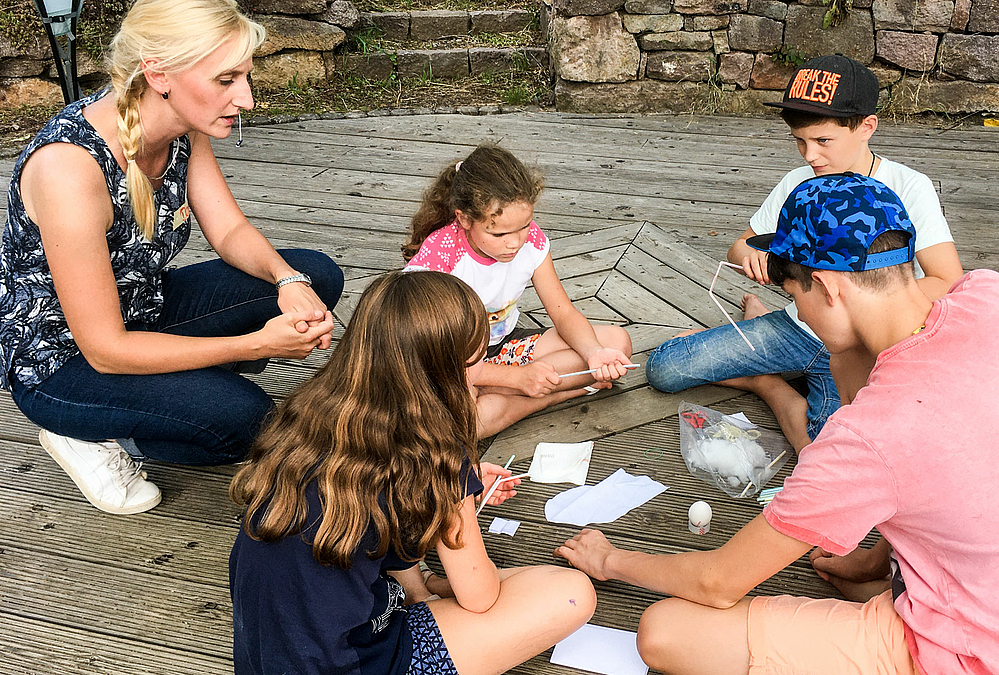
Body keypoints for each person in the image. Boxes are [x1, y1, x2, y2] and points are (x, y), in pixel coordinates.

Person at [556, 174, 999, 675]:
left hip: (987, 660)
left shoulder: (872, 436)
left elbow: (717, 582)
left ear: (827, 287)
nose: (798, 315)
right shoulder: (993, 297)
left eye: (794, 297)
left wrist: (610, 559)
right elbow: (944, 476)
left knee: (667, 633)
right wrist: (872, 561)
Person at [0, 0, 343, 515]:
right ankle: (91, 432)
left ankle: (180, 391)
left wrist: (287, 279)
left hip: (141, 308)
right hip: (65, 362)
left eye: (245, 76)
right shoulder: (68, 169)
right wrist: (251, 344)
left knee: (316, 274)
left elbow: (228, 229)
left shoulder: (181, 123)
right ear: (159, 73)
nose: (246, 99)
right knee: (248, 420)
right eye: (226, 80)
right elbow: (106, 350)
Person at [229, 270, 597, 675]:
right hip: (352, 661)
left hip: (267, 657)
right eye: (472, 365)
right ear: (445, 373)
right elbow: (479, 596)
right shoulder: (436, 453)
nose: (476, 378)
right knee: (571, 593)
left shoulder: (309, 417)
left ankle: (417, 592)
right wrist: (459, 500)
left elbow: (375, 514)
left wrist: (425, 575)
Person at [644, 54, 963, 451]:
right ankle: (768, 339)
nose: (810, 156)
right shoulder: (801, 181)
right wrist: (753, 257)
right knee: (664, 368)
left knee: (825, 447)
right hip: (798, 325)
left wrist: (873, 308)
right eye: (800, 141)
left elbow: (947, 279)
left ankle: (767, 382)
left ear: (867, 127)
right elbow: (743, 243)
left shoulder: (909, 187)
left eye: (823, 141)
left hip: (859, 342)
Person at [403, 144, 633, 437]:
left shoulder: (531, 241)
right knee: (463, 421)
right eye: (498, 234)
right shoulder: (440, 260)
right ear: (464, 219)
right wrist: (518, 378)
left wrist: (595, 352)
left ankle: (500, 390)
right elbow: (427, 352)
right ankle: (550, 396)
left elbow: (563, 313)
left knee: (616, 344)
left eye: (523, 226)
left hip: (503, 347)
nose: (514, 242)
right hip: (448, 362)